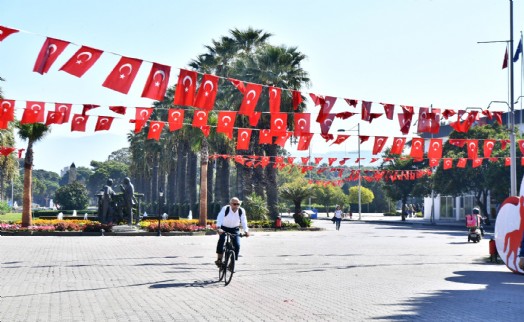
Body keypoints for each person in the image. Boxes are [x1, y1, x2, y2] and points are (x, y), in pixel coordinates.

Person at [215, 197, 250, 267]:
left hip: (234, 228)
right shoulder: (226, 209)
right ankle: (219, 259)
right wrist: (218, 228)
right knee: (221, 240)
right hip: (223, 228)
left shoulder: (241, 210)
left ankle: (232, 262)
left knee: (237, 244)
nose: (236, 206)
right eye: (234, 204)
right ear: (230, 204)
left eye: (238, 204)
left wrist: (246, 231)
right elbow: (220, 217)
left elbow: (244, 221)